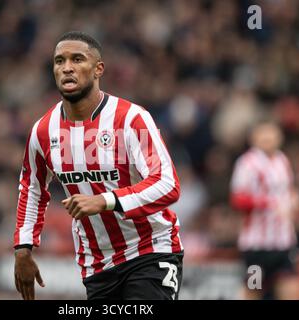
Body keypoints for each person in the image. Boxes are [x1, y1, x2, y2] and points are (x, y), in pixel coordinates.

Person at [13, 31, 184, 300]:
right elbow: (31, 188)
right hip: (97, 264)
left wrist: (105, 200)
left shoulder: (131, 119)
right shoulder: (43, 131)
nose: (67, 67)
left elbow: (168, 184)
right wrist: (23, 248)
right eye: (59, 61)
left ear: (98, 69)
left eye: (77, 59)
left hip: (150, 250)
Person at [230, 120, 299, 299]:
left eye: (272, 133)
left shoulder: (282, 160)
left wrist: (295, 199)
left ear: (280, 137)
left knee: (291, 289)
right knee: (254, 291)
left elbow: (288, 190)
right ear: (254, 138)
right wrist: (268, 203)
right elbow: (237, 199)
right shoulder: (247, 163)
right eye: (263, 134)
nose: (268, 138)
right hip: (258, 246)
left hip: (284, 242)